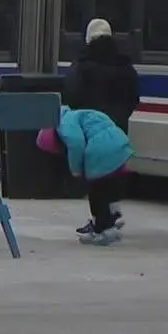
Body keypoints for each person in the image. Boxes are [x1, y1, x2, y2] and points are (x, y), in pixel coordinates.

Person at [63, 18, 141, 232]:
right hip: (117, 127)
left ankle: (101, 221)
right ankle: (112, 211)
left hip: (93, 129)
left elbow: (72, 95)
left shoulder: (83, 66)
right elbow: (134, 98)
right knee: (114, 171)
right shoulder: (126, 66)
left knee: (96, 177)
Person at [38, 106, 134, 245]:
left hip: (99, 149)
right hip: (119, 143)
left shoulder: (63, 123)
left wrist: (75, 169)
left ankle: (103, 229)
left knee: (96, 190)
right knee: (111, 182)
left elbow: (75, 143)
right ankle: (113, 213)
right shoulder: (81, 114)